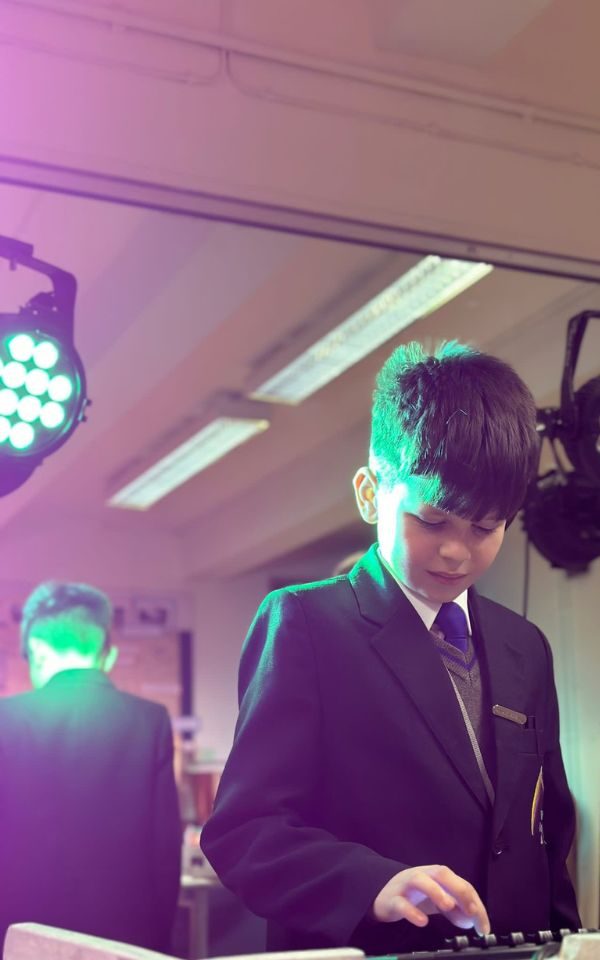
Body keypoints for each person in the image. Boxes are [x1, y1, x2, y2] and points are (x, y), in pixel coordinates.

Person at [201, 340, 580, 955]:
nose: (457, 551)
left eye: (486, 528)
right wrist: (372, 883)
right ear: (372, 491)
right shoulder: (306, 623)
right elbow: (245, 832)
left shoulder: (525, 646)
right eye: (432, 521)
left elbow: (546, 828)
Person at [0, 581, 181, 952]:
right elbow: (164, 847)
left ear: (36, 650)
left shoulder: (5, 719)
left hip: (21, 934)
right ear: (107, 654)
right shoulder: (151, 721)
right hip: (126, 937)